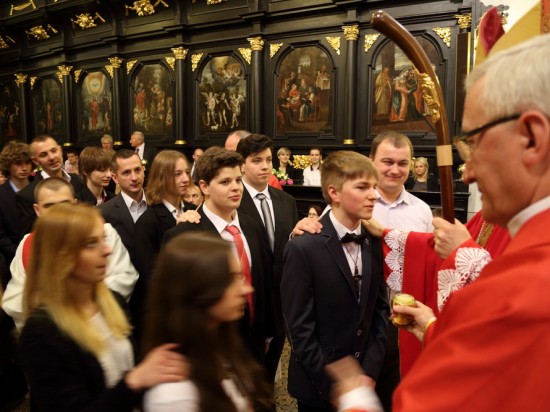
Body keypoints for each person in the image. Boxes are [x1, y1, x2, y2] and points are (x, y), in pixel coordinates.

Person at [387, 33, 550, 410]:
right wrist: (432, 327)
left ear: (531, 138)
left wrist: (352, 395)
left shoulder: (524, 293)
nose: (468, 173)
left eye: (474, 144)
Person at [18, 202, 186, 411]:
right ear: (61, 255)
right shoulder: (41, 331)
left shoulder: (113, 302)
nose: (107, 250)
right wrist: (134, 381)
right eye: (91, 244)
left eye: (103, 239)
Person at [281, 151, 388, 411]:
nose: (374, 195)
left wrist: (369, 372)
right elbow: (299, 330)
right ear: (334, 192)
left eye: (374, 187)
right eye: (362, 187)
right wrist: (336, 388)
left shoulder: (373, 240)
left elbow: (380, 309)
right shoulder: (303, 247)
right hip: (318, 386)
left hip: (364, 382)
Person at [164, 147, 273, 366]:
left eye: (238, 180)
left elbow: (263, 281)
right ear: (204, 186)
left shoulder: (252, 226)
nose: (235, 188)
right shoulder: (185, 235)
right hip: (208, 348)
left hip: (254, 342)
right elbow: (175, 303)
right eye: (225, 182)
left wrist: (266, 332)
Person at [143, 232, 273, 411]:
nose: (246, 289)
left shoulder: (220, 347)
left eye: (240, 277)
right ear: (197, 289)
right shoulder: (174, 395)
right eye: (230, 279)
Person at [2, 177, 138, 330]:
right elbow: (15, 299)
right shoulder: (28, 244)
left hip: (100, 326)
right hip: (50, 332)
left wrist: (77, 305)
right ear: (37, 210)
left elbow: (123, 278)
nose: (58, 212)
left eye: (64, 204)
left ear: (74, 204)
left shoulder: (102, 233)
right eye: (49, 206)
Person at [236, 134, 300, 382]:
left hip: (280, 305)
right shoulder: (234, 200)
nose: (264, 166)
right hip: (249, 304)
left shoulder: (286, 201)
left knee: (270, 373)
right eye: (256, 160)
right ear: (242, 164)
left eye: (268, 160)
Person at [133, 150, 199, 338]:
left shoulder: (195, 210)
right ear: (161, 177)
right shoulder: (148, 222)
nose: (185, 179)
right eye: (177, 174)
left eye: (187, 172)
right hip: (168, 315)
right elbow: (151, 278)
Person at [16, 135, 84, 235]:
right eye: (44, 155)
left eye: (54, 151)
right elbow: (31, 236)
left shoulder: (76, 180)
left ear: (60, 151)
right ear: (35, 161)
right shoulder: (27, 195)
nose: (52, 157)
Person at [100, 149, 147, 264]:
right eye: (126, 173)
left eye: (137, 170)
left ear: (143, 171)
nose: (134, 177)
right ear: (115, 178)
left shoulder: (158, 204)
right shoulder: (103, 213)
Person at [0, 141, 32, 287]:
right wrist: (19, 253)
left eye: (27, 163)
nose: (24, 168)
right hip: (11, 260)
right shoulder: (1, 194)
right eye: (18, 163)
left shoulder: (38, 188)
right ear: (8, 165)